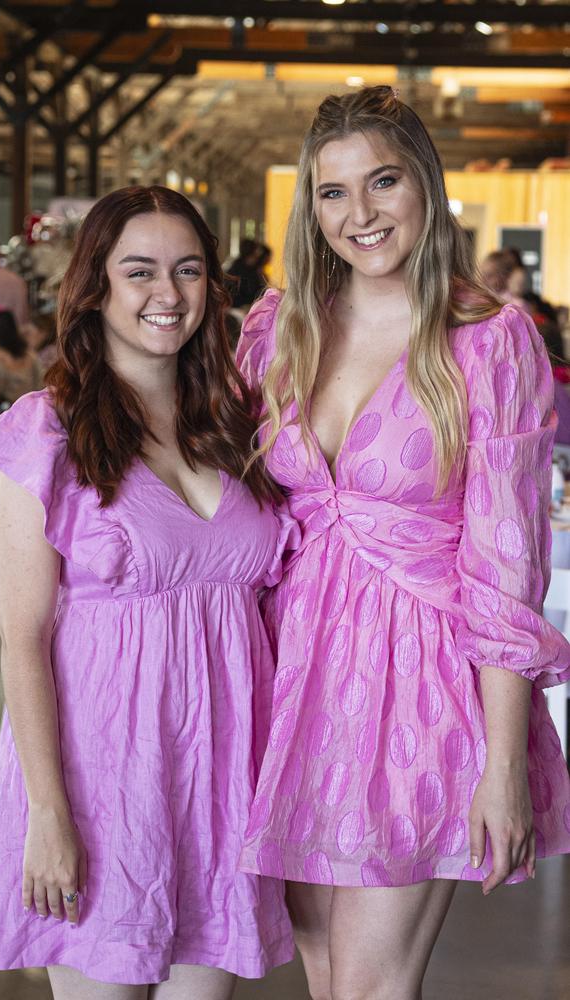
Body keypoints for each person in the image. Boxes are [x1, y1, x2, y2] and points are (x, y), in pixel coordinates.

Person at [236, 86, 570, 1000]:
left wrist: (503, 769)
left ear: (425, 185)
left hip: (422, 680)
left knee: (368, 989)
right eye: (334, 193)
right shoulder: (276, 328)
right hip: (290, 676)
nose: (360, 214)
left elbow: (508, 565)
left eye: (383, 182)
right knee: (322, 974)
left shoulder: (489, 342)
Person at [0, 185, 294, 999]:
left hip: (221, 783)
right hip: (101, 782)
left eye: (188, 271)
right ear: (95, 286)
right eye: (138, 271)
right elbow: (24, 643)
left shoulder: (239, 423)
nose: (167, 295)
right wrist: (47, 813)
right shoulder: (45, 436)